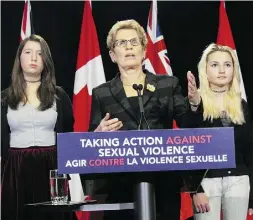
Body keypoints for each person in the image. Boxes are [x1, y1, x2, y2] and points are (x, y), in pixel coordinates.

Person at [88, 19, 200, 220]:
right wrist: (98, 134)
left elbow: (188, 126)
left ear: (144, 51)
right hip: (120, 186)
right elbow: (90, 142)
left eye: (134, 42)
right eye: (121, 43)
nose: (129, 47)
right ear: (113, 55)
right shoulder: (101, 93)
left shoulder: (167, 84)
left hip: (163, 184)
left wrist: (193, 104)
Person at [1, 35, 75, 220]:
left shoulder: (60, 96)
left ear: (46, 61)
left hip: (52, 168)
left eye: (40, 54)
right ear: (19, 58)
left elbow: (69, 135)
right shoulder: (4, 98)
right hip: (16, 169)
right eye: (28, 52)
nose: (33, 58)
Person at [185, 43, 253, 220]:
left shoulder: (241, 106)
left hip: (239, 180)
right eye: (215, 65)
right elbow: (188, 150)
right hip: (207, 182)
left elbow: (249, 153)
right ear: (205, 70)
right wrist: (195, 189)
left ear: (233, 70)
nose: (222, 70)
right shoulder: (196, 103)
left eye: (227, 65)